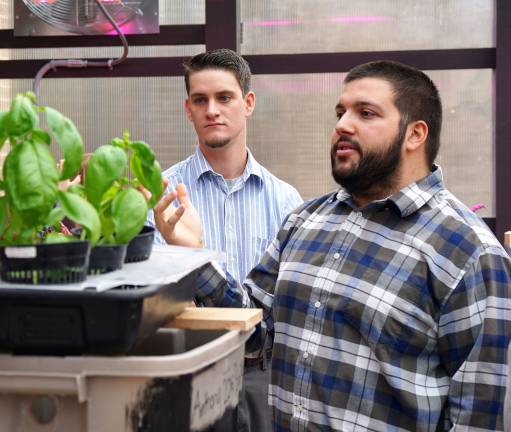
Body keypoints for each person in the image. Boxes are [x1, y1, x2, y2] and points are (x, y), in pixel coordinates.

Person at [160, 60, 511, 431]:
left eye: (366, 113)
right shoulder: (305, 221)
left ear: (415, 134)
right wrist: (196, 255)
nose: (342, 125)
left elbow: (477, 416)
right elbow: (255, 338)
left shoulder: (469, 253)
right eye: (340, 112)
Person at [147, 48, 303, 432]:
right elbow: (150, 302)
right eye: (200, 100)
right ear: (188, 109)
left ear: (248, 103)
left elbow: (288, 310)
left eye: (224, 98)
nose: (212, 110)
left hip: (263, 376)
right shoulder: (160, 196)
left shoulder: (286, 201)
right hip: (186, 369)